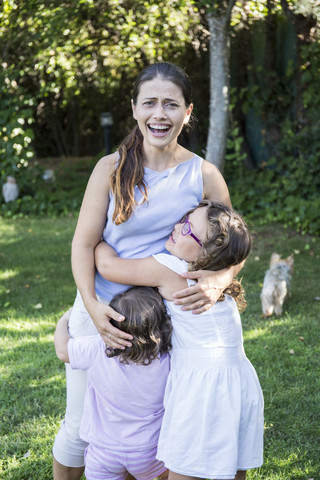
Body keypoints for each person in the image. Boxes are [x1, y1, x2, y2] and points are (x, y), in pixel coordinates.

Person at [52, 61, 242, 480]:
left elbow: (235, 244)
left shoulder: (204, 174)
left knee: (160, 427)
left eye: (171, 105)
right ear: (134, 108)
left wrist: (217, 281)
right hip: (102, 310)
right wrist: (92, 307)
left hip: (165, 321)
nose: (160, 114)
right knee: (82, 426)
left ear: (188, 113)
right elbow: (84, 245)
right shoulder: (110, 168)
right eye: (150, 103)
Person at [95, 200, 264, 480]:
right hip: (239, 380)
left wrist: (98, 237)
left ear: (207, 252)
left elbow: (107, 266)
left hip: (202, 389)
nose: (176, 227)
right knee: (230, 464)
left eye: (187, 228)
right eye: (184, 219)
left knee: (184, 469)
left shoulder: (171, 268)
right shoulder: (220, 281)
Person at [54, 286, 171, 480]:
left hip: (104, 454)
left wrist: (63, 321)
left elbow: (62, 351)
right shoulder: (167, 359)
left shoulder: (97, 349)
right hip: (150, 453)